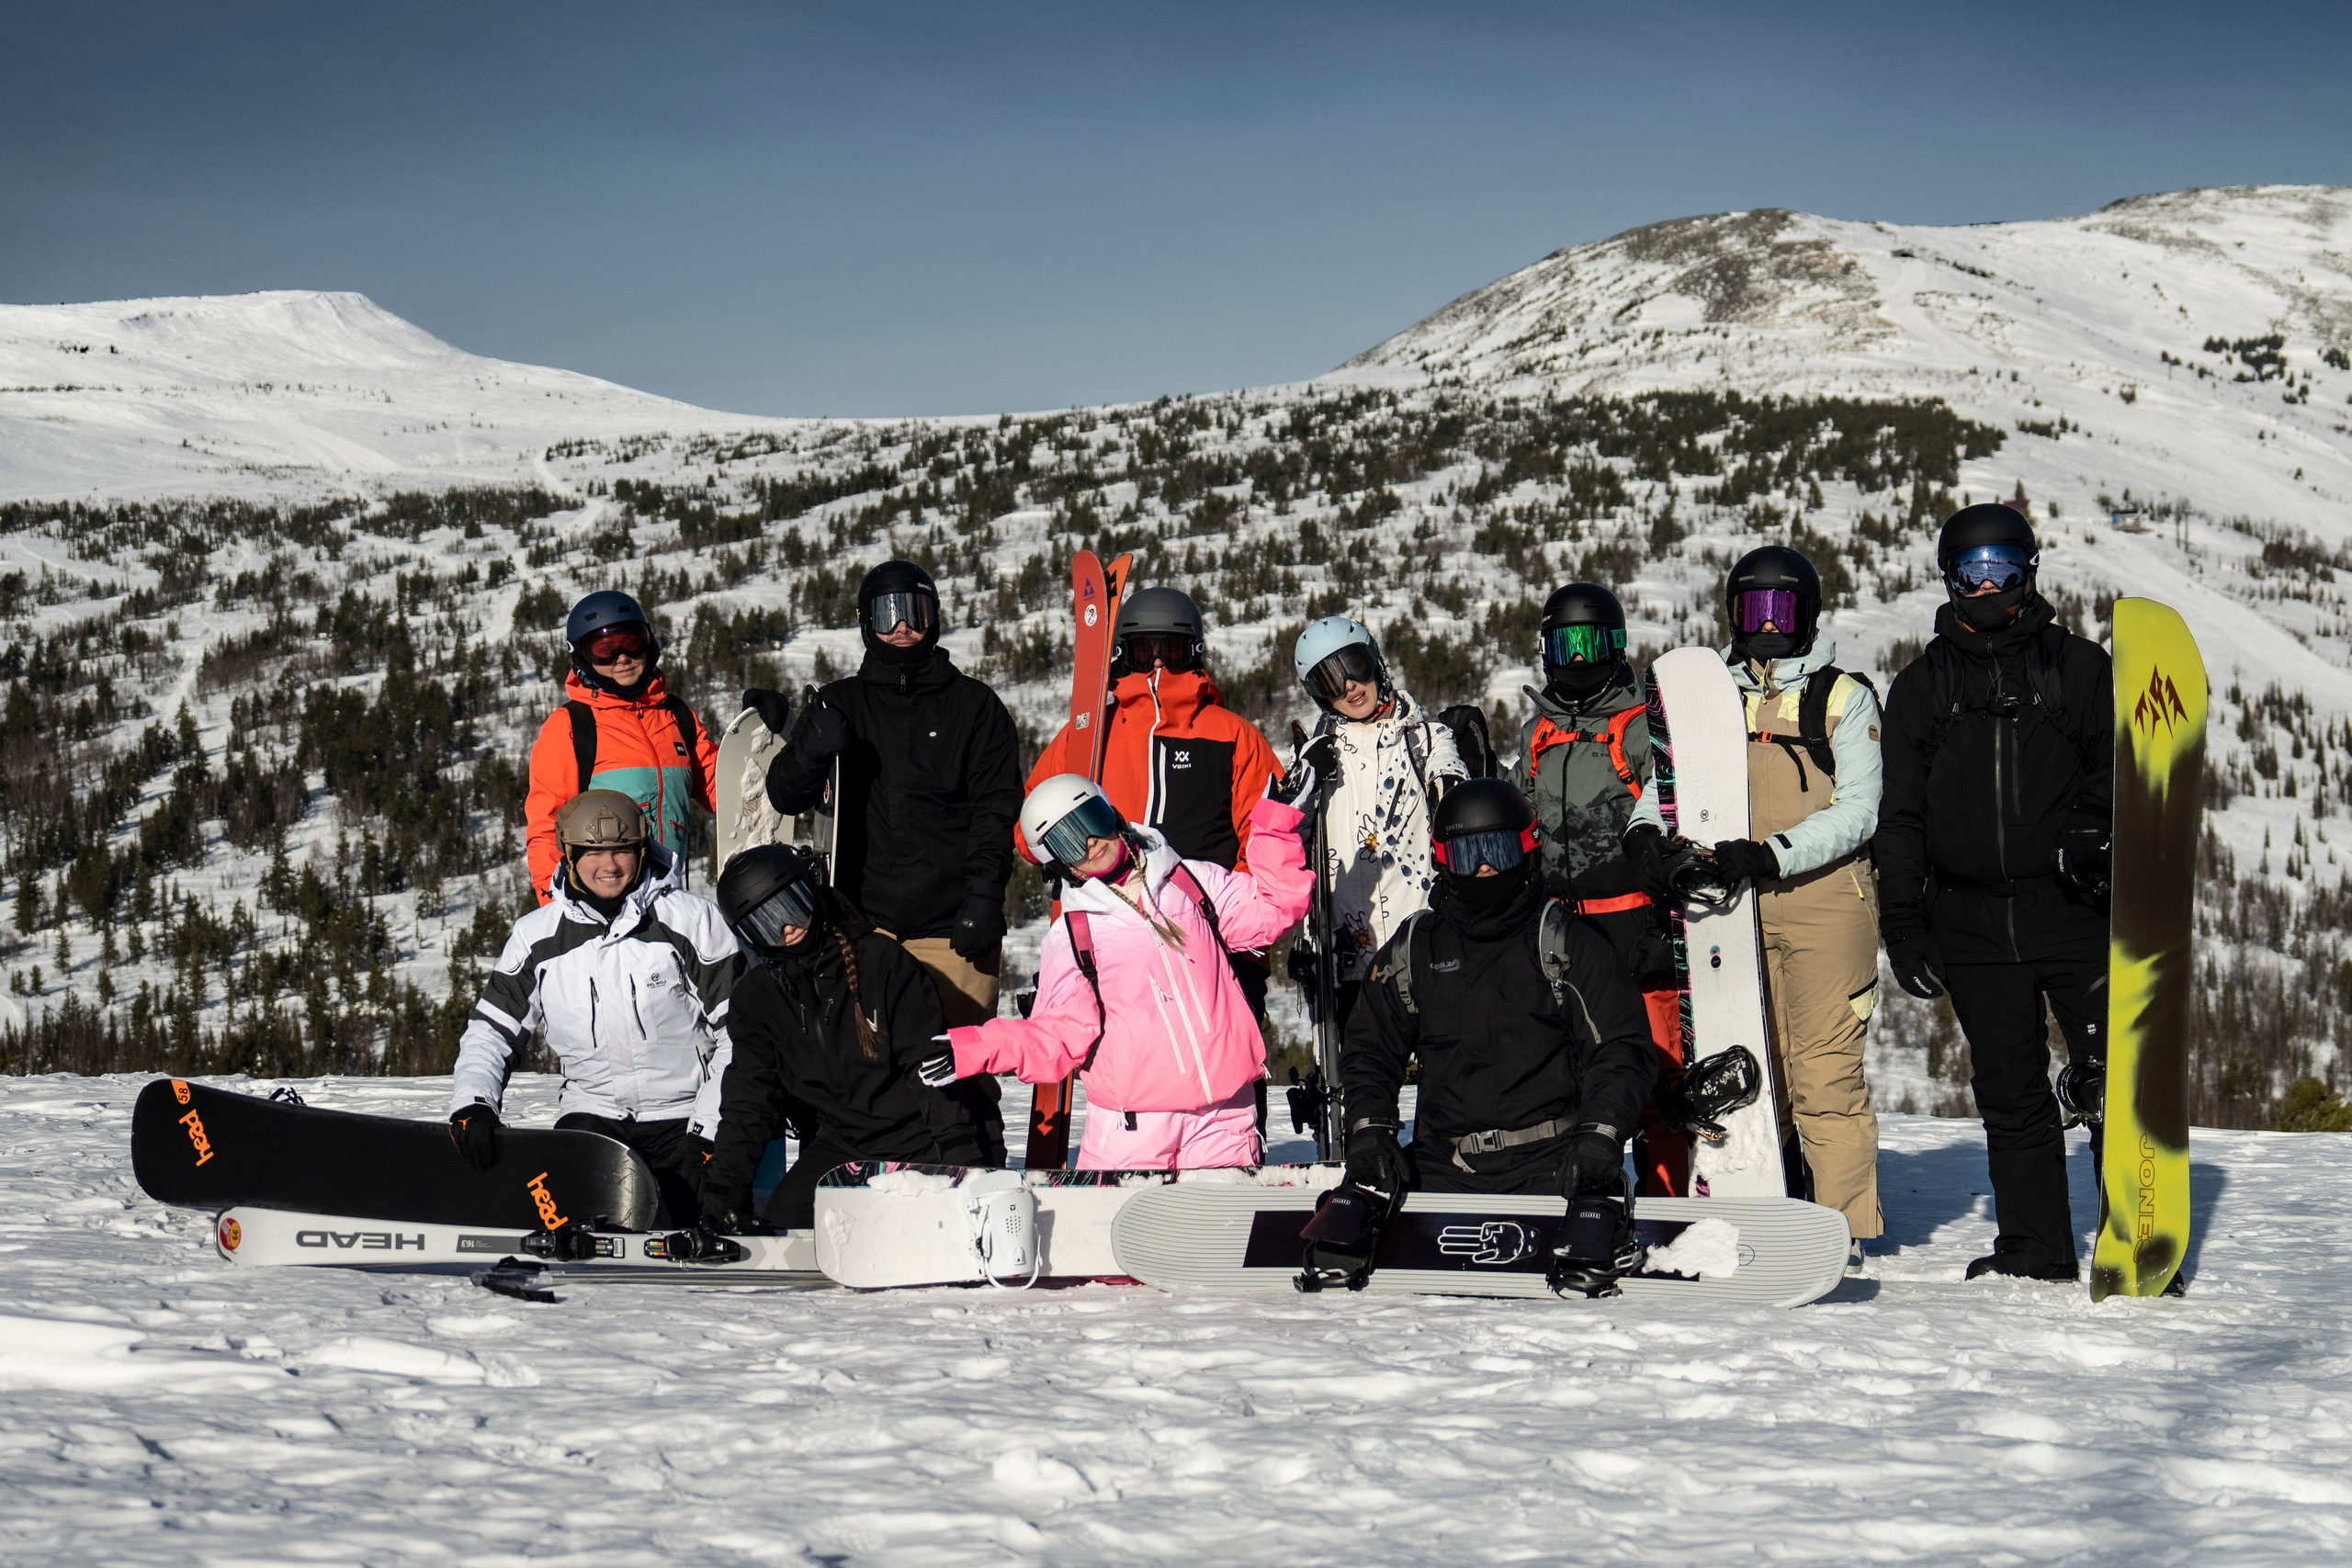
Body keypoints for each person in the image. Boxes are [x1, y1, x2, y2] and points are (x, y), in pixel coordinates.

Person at [1625, 545, 1885, 1260]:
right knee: (1750, 1069)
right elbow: (1664, 788)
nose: (1768, 626)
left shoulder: (1842, 695)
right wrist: (1646, 838)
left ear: (1809, 614)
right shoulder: (1713, 700)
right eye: (1753, 610)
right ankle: (1768, 1210)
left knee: (1823, 1078)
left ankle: (1845, 1232)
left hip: (1824, 902)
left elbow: (1861, 809)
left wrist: (1771, 853)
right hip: (1731, 913)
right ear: (1733, 614)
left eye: (1783, 610)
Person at [1875, 504, 2112, 1282]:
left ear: (2029, 569)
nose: (1987, 584)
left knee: (2112, 1076)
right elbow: (1900, 816)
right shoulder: (1922, 688)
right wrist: (1903, 923)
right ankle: (2035, 1246)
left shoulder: (2077, 670)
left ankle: (2140, 1233)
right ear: (1948, 578)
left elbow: (2125, 768)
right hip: (1972, 920)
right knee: (2010, 1091)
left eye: (2002, 566)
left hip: (2073, 908)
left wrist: (2091, 826)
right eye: (1971, 569)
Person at [931, 771, 1315, 1170]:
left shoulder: (1189, 882)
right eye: (1069, 841)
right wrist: (974, 1048)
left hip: (1224, 1118)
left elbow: (1274, 908)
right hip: (1132, 1128)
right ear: (1058, 862)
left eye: (1091, 821)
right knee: (1129, 1233)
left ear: (1112, 815)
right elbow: (1059, 1036)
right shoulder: (1075, 934)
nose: (1091, 843)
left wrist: (1276, 821)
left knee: (1218, 1231)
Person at [1025, 584, 1287, 1130]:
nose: (1160, 665)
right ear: (1123, 653)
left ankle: (1232, 1172)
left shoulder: (1233, 736)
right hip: (1112, 944)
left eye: (1173, 648)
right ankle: (1130, 1173)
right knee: (1129, 1071)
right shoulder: (1088, 735)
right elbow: (1030, 833)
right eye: (1146, 651)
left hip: (1214, 943)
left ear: (1195, 652)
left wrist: (1218, 914)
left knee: (1226, 1070)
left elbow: (1266, 839)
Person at [1340, 779, 1657, 1201]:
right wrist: (1368, 1128)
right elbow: (1370, 1050)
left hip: (1553, 1164)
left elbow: (1620, 1046)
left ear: (1527, 850)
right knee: (1344, 1244)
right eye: (1469, 855)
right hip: (1443, 1166)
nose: (1484, 868)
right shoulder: (1416, 949)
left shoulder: (1564, 942)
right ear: (1443, 860)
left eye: (1498, 851)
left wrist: (1601, 1134)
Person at [753, 561, 1023, 1043]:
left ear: (934, 618)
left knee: (961, 1077)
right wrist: (811, 751)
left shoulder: (974, 707)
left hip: (952, 931)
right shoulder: (840, 703)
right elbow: (784, 795)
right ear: (865, 622)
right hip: (861, 933)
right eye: (886, 614)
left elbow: (995, 811)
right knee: (868, 1081)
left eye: (914, 613)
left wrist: (983, 898)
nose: (902, 627)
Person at [448, 791, 742, 1223]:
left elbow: (740, 1031)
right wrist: (474, 1102)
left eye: (622, 850)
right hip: (593, 1120)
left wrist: (710, 1127)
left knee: (689, 1222)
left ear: (642, 849)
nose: (609, 866)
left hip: (685, 1117)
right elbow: (492, 1030)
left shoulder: (691, 921)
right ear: (568, 854)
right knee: (567, 1223)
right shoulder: (537, 937)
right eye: (593, 852)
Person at [693, 843, 1001, 1233]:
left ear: (811, 890)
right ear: (748, 936)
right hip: (844, 1146)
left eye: (790, 906)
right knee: (788, 1231)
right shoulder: (757, 999)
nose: (786, 928)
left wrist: (962, 1160)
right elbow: (749, 1100)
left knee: (928, 1234)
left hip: (924, 1136)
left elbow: (927, 1065)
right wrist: (724, 1191)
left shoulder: (880, 961)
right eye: (765, 923)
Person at [1509, 582, 1688, 1197]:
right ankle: (1589, 1198)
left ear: (1615, 645)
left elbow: (1674, 813)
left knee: (1657, 1073)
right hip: (1562, 933)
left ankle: (1671, 1203)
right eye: (1565, 643)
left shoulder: (1639, 728)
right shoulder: (1540, 734)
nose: (1578, 659)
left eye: (1590, 644)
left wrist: (1668, 923)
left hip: (1632, 925)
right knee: (1577, 1074)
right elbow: (1516, 816)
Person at [1287, 615, 1466, 1032]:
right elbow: (1284, 844)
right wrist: (1304, 783)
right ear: (1318, 695)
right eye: (1330, 680)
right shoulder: (1316, 757)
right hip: (1347, 965)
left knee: (1445, 1081)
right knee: (1364, 1088)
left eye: (1355, 666)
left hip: (1425, 947)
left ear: (1376, 663)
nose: (1349, 685)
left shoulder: (1426, 739)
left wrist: (1455, 787)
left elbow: (1455, 803)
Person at [526, 591, 719, 903]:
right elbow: (546, 827)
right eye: (604, 650)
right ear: (583, 658)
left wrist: (777, 755)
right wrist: (557, 906)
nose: (622, 658)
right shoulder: (571, 727)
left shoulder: (676, 718)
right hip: (603, 905)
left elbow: (724, 792)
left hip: (671, 901)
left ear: (649, 642)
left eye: (632, 642)